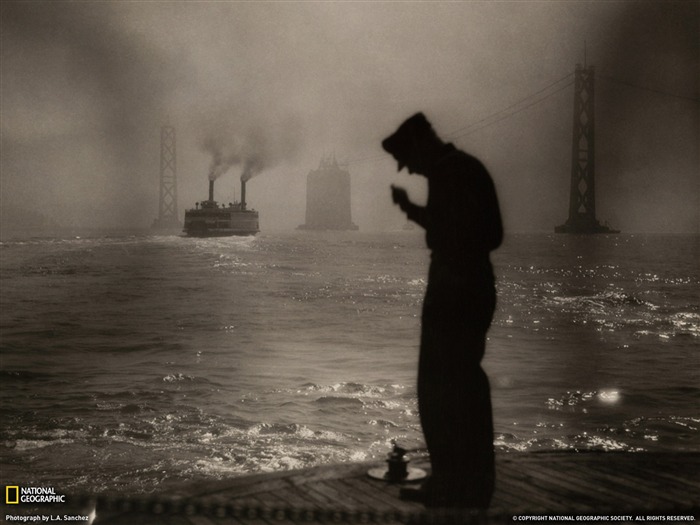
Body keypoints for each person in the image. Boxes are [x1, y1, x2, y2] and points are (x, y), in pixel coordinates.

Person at [381, 112, 503, 508]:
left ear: (419, 146)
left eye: (409, 161)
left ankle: (450, 480)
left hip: (452, 291)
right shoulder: (468, 168)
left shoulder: (447, 174)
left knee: (437, 391)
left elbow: (444, 232)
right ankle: (476, 477)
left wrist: (411, 210)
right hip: (476, 287)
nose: (410, 170)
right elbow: (490, 234)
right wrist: (415, 211)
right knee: (466, 385)